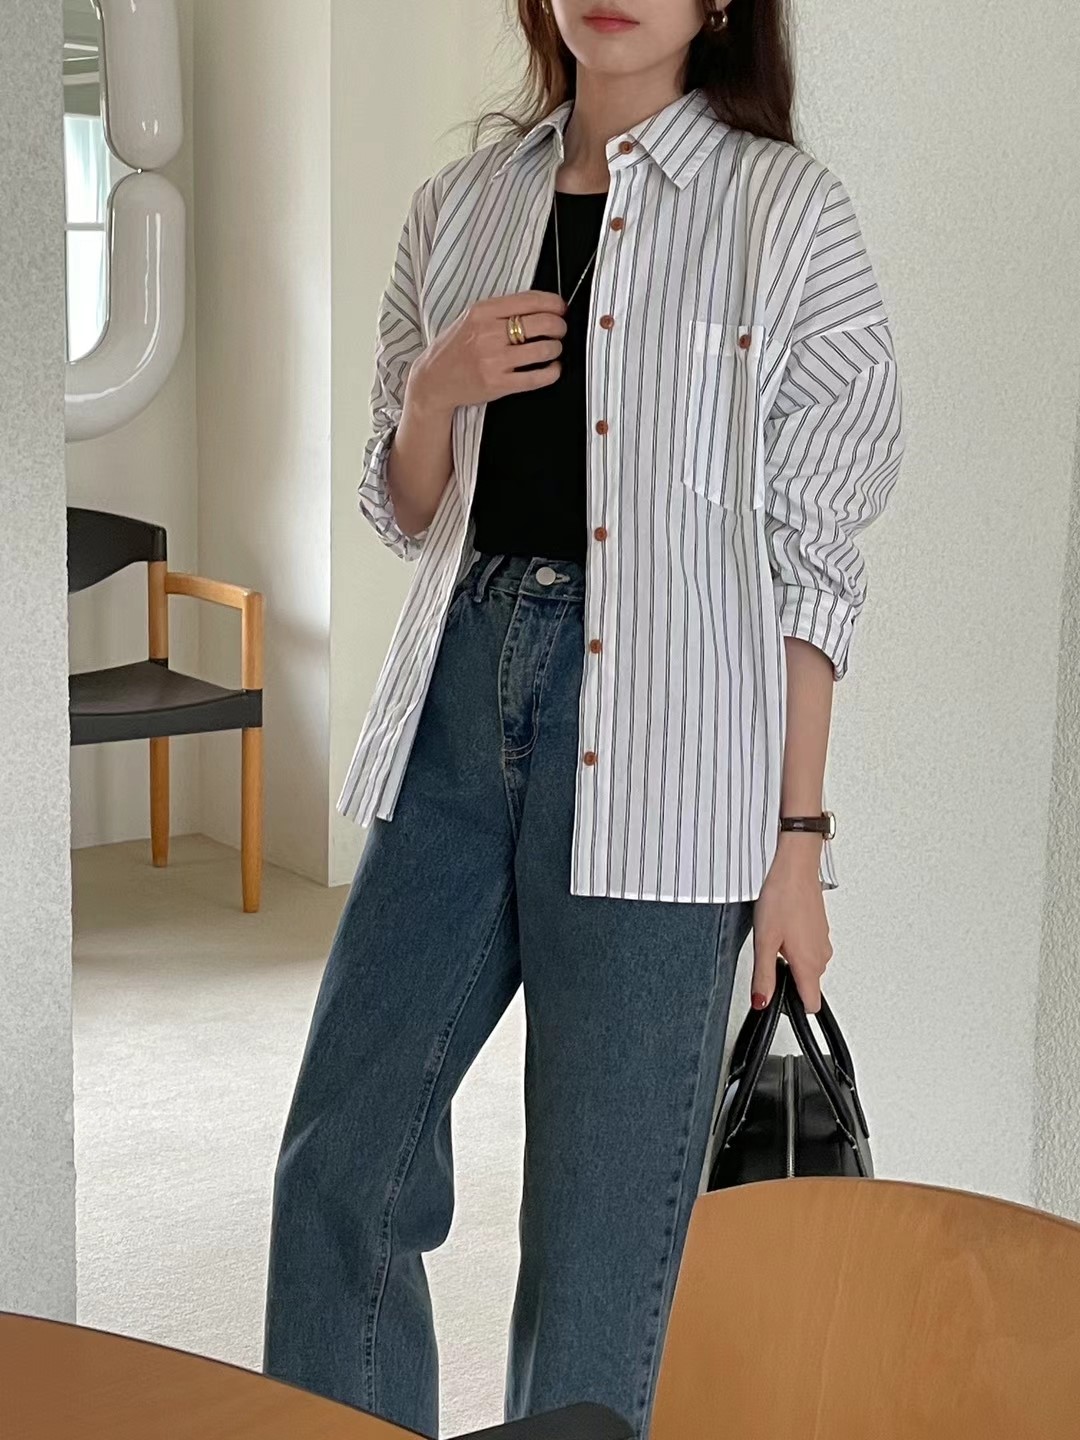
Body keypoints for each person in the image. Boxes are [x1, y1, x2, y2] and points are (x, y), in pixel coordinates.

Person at [264, 1, 905, 1435]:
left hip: (670, 747)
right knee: (341, 1163)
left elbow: (815, 564)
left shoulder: (785, 215)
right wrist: (434, 390)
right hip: (455, 701)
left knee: (598, 1237)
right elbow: (406, 506)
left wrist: (799, 845)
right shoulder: (462, 204)